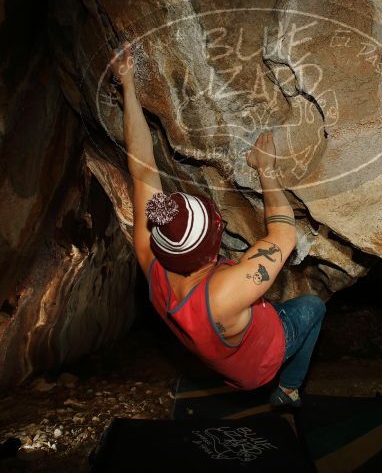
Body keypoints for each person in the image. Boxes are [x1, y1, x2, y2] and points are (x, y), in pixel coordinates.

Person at [109, 41, 326, 407]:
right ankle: (288, 390)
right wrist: (266, 170)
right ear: (213, 248)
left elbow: (141, 165)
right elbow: (284, 236)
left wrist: (127, 85)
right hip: (260, 363)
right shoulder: (223, 292)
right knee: (313, 307)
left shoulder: (151, 258)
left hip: (221, 357)